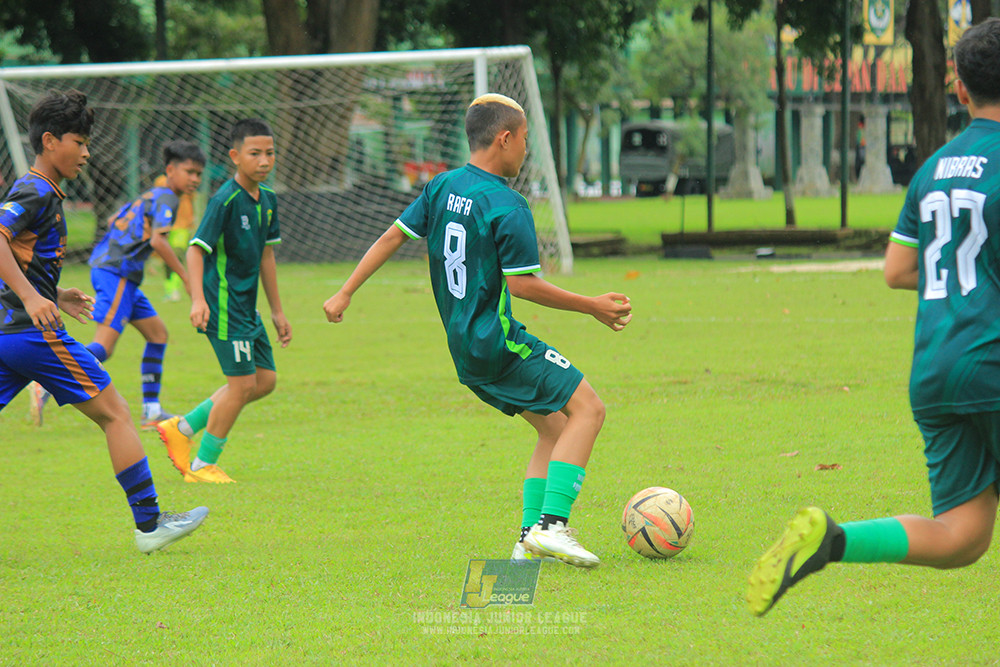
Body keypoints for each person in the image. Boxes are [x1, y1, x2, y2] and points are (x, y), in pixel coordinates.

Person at [747, 18, 1000, 616]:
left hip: (935, 369)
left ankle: (834, 539)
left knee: (962, 536)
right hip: (992, 361)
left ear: (957, 88)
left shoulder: (934, 167)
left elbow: (897, 268)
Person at [322, 94, 632, 568]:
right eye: (525, 140)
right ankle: (553, 526)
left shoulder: (442, 187)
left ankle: (529, 539)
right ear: (505, 139)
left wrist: (345, 292)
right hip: (497, 341)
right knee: (589, 408)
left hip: (464, 348)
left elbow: (391, 237)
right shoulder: (507, 204)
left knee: (553, 427)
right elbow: (523, 285)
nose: (526, 150)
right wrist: (590, 305)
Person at [0, 89, 207, 553]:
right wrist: (35, 299)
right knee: (116, 414)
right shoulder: (33, 188)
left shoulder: (47, 192)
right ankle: (152, 526)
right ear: (50, 141)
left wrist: (55, 293)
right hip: (31, 334)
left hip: (8, 332)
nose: (88, 153)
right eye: (80, 141)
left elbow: (17, 255)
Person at [29, 140, 205, 429]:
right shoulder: (168, 199)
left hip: (122, 273)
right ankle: (45, 382)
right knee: (105, 346)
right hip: (116, 273)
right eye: (190, 172)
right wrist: (185, 277)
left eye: (199, 174)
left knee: (158, 334)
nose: (195, 179)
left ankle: (151, 411)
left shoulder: (152, 194)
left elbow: (114, 219)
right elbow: (158, 240)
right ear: (171, 170)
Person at [156, 118, 291, 484]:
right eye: (255, 153)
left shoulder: (269, 202)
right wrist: (197, 300)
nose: (264, 161)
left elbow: (266, 256)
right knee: (242, 386)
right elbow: (197, 251)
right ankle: (202, 465)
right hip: (224, 306)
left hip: (249, 309)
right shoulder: (224, 200)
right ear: (235, 156)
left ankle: (181, 428)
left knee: (264, 381)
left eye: (270, 153)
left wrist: (278, 310)